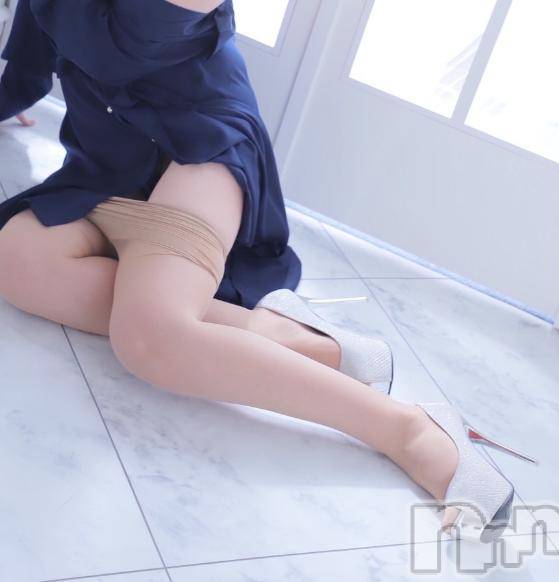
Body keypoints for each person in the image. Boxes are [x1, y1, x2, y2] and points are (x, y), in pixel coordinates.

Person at [0, 0, 530, 542]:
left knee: (147, 338)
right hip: (104, 171)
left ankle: (408, 428)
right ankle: (288, 336)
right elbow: (27, 65)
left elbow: (127, 45)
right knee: (17, 261)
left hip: (197, 156)